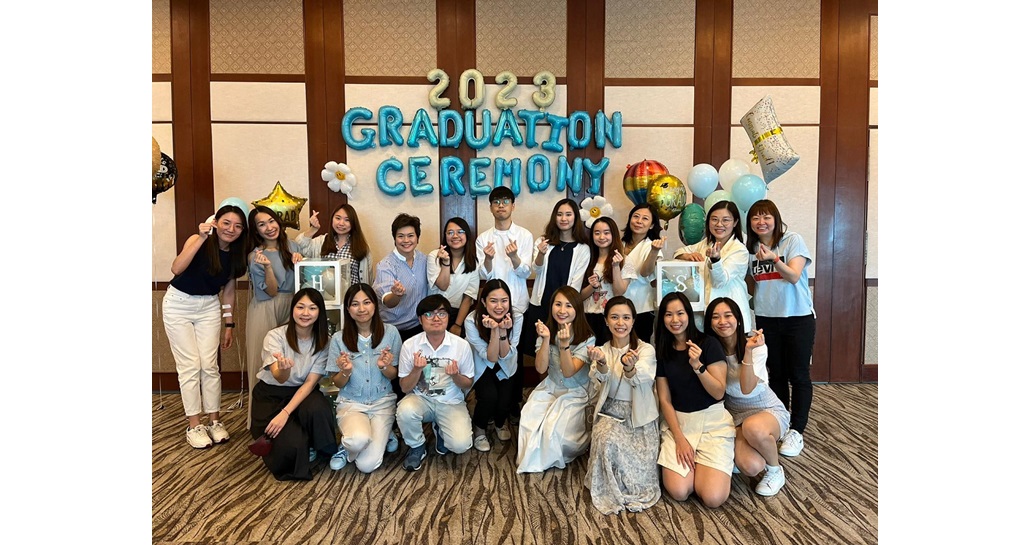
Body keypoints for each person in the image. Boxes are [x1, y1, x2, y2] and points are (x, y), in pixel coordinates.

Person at [163, 203, 249, 449]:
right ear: (215, 222)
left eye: (237, 226)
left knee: (210, 365)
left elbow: (229, 292)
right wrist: (201, 237)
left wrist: (229, 324)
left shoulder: (236, 255)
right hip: (178, 304)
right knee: (190, 365)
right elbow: (176, 268)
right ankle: (194, 425)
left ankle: (214, 421)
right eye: (226, 223)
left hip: (209, 306)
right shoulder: (198, 239)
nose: (231, 229)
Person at [746, 199, 815, 458]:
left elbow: (794, 275)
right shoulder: (750, 248)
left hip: (798, 317)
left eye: (766, 217)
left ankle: (797, 430)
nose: (761, 222)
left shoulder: (792, 240)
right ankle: (781, 421)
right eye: (755, 217)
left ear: (776, 219)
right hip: (767, 318)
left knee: (799, 375)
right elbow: (753, 285)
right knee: (776, 374)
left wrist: (774, 258)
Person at [654, 292, 735, 508]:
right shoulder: (662, 351)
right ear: (662, 318)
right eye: (668, 314)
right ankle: (699, 468)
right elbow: (665, 400)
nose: (675, 320)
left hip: (712, 422)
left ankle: (715, 465)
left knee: (712, 497)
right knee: (679, 491)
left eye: (680, 313)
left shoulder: (708, 344)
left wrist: (698, 366)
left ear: (689, 315)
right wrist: (680, 439)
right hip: (679, 423)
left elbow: (718, 392)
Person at [249, 288, 338, 481]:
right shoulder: (275, 336)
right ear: (292, 309)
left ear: (320, 312)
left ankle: (317, 444)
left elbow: (310, 383)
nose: (306, 313)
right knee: (291, 449)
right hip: (271, 396)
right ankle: (302, 440)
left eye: (312, 308)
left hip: (302, 393)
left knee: (319, 409)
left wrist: (286, 412)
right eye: (300, 307)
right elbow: (279, 377)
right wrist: (284, 369)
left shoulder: (325, 342)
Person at [705, 297, 790, 496]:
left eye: (728, 315)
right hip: (735, 413)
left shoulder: (756, 346)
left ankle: (775, 470)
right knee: (751, 466)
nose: (722, 321)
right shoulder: (711, 349)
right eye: (715, 317)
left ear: (738, 319)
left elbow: (747, 388)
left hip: (765, 408)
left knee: (754, 428)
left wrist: (749, 351)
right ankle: (758, 446)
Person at [583, 296, 660, 515]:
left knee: (641, 471)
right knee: (607, 441)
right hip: (610, 412)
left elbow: (643, 377)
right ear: (606, 321)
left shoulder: (645, 350)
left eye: (626, 317)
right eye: (615, 317)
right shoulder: (602, 350)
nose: (620, 323)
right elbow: (598, 381)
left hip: (638, 415)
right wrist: (601, 363)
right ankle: (611, 489)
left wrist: (630, 368)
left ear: (633, 321)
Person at [324, 283, 403, 473]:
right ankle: (347, 447)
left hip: (382, 403)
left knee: (367, 465)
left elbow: (394, 375)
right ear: (348, 309)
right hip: (352, 404)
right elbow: (337, 382)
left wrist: (384, 367)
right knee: (357, 440)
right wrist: (345, 371)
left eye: (366, 302)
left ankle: (383, 433)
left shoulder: (391, 333)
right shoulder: (338, 339)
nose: (361, 309)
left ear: (375, 305)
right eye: (355, 304)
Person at [516, 286, 595, 473]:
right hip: (550, 388)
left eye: (568, 305)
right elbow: (540, 368)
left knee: (554, 431)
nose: (562, 310)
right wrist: (545, 340)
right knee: (529, 420)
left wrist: (565, 345)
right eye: (558, 304)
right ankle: (532, 458)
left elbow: (568, 372)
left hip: (576, 392)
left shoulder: (587, 337)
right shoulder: (546, 331)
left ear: (577, 309)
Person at [396, 295, 475, 471]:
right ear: (420, 320)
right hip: (421, 400)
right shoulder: (410, 345)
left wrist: (456, 376)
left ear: (448, 317)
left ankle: (441, 429)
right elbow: (404, 387)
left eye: (442, 313)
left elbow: (468, 383)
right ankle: (417, 446)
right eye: (429, 314)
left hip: (450, 401)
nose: (436, 318)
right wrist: (416, 370)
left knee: (460, 445)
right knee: (405, 411)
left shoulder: (461, 345)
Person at [476, 186, 534, 423]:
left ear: (513, 206)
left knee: (514, 356)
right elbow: (483, 274)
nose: (501, 205)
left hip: (517, 305)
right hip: (492, 307)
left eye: (505, 201)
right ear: (490, 207)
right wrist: (489, 259)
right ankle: (492, 402)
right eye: (496, 202)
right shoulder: (483, 238)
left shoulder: (525, 235)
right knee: (491, 353)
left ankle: (513, 403)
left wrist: (514, 257)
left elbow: (526, 272)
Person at [245, 205, 303, 429]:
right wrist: (268, 268)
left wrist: (301, 261)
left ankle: (288, 417)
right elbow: (270, 291)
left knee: (290, 360)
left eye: (271, 221)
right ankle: (259, 420)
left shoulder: (293, 246)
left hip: (293, 306)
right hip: (266, 307)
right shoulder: (256, 256)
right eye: (262, 224)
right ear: (256, 230)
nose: (269, 227)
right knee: (264, 362)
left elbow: (305, 278)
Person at [521, 198, 591, 361]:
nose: (563, 218)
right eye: (559, 214)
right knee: (540, 352)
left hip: (564, 309)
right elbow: (536, 269)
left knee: (562, 351)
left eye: (568, 214)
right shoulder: (543, 242)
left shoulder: (582, 248)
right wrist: (541, 253)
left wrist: (562, 307)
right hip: (541, 304)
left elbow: (575, 285)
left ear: (575, 217)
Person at [673, 200, 753, 332]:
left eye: (725, 220)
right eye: (714, 219)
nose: (719, 224)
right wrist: (687, 256)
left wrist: (716, 260)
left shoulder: (739, 250)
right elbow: (678, 252)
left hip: (730, 315)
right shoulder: (706, 243)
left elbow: (719, 282)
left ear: (735, 222)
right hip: (708, 315)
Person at [464, 279, 523, 451]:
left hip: (506, 363)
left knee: (505, 400)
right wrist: (494, 330)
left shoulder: (517, 317)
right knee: (489, 397)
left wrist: (502, 330)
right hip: (483, 364)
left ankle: (499, 423)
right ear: (483, 302)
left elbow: (505, 355)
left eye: (504, 301)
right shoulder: (471, 320)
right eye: (493, 301)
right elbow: (490, 357)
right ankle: (480, 428)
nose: (499, 306)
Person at [375, 213, 430, 341]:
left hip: (419, 327)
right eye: (401, 236)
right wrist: (396, 295)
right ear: (394, 239)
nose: (406, 240)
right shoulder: (385, 265)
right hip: (393, 330)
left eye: (410, 235)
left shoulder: (424, 259)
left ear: (417, 238)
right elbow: (388, 302)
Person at [295, 203, 373, 290]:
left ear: (353, 223)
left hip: (352, 295)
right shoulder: (321, 241)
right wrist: (313, 229)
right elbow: (298, 246)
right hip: (325, 295)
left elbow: (369, 278)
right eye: (338, 218)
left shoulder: (362, 246)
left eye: (347, 220)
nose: (341, 223)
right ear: (332, 219)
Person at [620, 203, 666, 343]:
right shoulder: (619, 244)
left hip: (641, 308)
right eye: (636, 216)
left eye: (645, 218)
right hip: (617, 306)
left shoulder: (652, 246)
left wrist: (654, 251)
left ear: (652, 225)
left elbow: (645, 272)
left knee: (638, 348)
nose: (639, 221)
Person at [579, 216, 628, 346]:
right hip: (587, 316)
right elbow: (579, 296)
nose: (602, 237)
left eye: (606, 233)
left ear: (614, 235)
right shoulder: (586, 259)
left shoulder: (624, 260)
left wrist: (615, 267)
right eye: (597, 233)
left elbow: (619, 292)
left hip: (611, 318)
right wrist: (592, 286)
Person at [427, 217, 479, 337]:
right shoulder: (434, 256)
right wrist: (446, 262)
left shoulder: (473, 262)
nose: (455, 236)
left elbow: (468, 298)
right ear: (445, 236)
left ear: (467, 235)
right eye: (450, 232)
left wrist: (457, 324)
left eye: (460, 232)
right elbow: (443, 286)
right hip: (433, 312)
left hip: (457, 314)